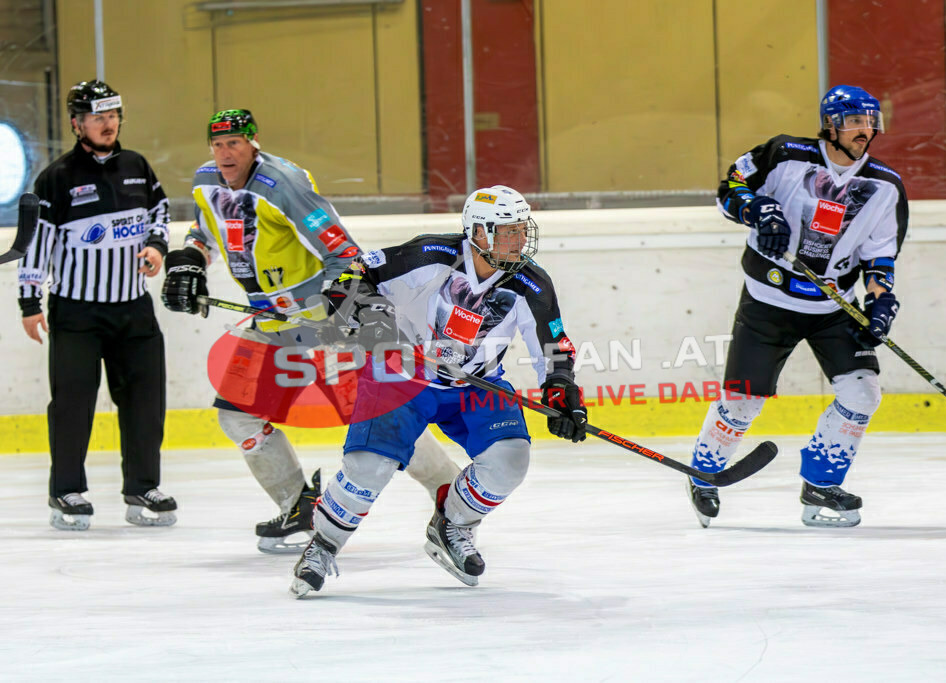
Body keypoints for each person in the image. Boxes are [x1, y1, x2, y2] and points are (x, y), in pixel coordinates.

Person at [161, 109, 461, 553]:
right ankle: (298, 505)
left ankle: (449, 491)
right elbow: (206, 230)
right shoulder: (206, 182)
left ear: (253, 142)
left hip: (320, 325)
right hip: (268, 322)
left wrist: (346, 308)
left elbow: (345, 254)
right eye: (218, 144)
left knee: (378, 417)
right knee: (237, 413)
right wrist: (190, 258)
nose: (226, 153)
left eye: (235, 143)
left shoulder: (284, 185)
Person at [290, 185, 588, 597]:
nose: (519, 239)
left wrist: (560, 388)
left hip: (474, 384)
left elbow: (553, 346)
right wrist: (370, 310)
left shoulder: (532, 283)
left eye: (522, 229)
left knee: (509, 462)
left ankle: (451, 525)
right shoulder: (428, 255)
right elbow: (351, 278)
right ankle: (322, 545)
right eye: (507, 231)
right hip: (401, 377)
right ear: (478, 232)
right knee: (369, 469)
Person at [686, 85, 908, 528]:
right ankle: (704, 472)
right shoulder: (784, 154)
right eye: (853, 122)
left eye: (870, 122)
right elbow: (729, 187)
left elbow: (879, 256)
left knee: (862, 391)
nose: (864, 131)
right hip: (768, 300)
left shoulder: (885, 187)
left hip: (834, 305)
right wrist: (756, 210)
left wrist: (880, 301)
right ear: (830, 124)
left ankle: (821, 482)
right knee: (743, 401)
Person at [17, 79, 176, 530]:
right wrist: (30, 302)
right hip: (78, 314)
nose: (107, 125)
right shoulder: (57, 178)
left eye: (113, 116)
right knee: (72, 403)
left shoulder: (137, 166)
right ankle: (66, 490)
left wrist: (157, 247)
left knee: (146, 401)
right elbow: (37, 244)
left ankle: (142, 486)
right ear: (76, 123)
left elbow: (160, 211)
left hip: (133, 310)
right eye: (97, 117)